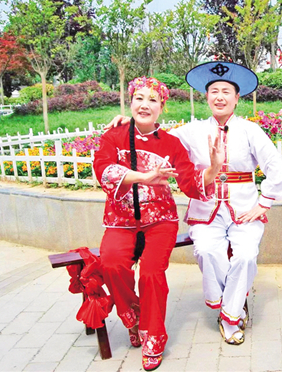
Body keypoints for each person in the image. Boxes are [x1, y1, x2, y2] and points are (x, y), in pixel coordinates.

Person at [94, 77, 223, 371]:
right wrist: (143, 177)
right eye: (139, 98)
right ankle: (133, 314)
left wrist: (214, 168)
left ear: (161, 107)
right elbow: (103, 170)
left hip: (160, 220)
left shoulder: (170, 143)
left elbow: (190, 183)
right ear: (130, 102)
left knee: (152, 273)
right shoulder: (113, 136)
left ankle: (154, 335)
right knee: (111, 263)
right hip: (120, 219)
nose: (145, 105)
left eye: (152, 100)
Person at [176, 61, 282, 345]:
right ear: (206, 96)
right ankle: (234, 305)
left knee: (246, 255)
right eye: (214, 91)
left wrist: (264, 203)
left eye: (226, 91)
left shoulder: (251, 130)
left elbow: (275, 167)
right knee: (205, 251)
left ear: (237, 98)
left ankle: (229, 316)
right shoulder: (192, 131)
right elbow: (156, 141)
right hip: (206, 209)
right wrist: (128, 125)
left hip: (244, 209)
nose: (220, 97)